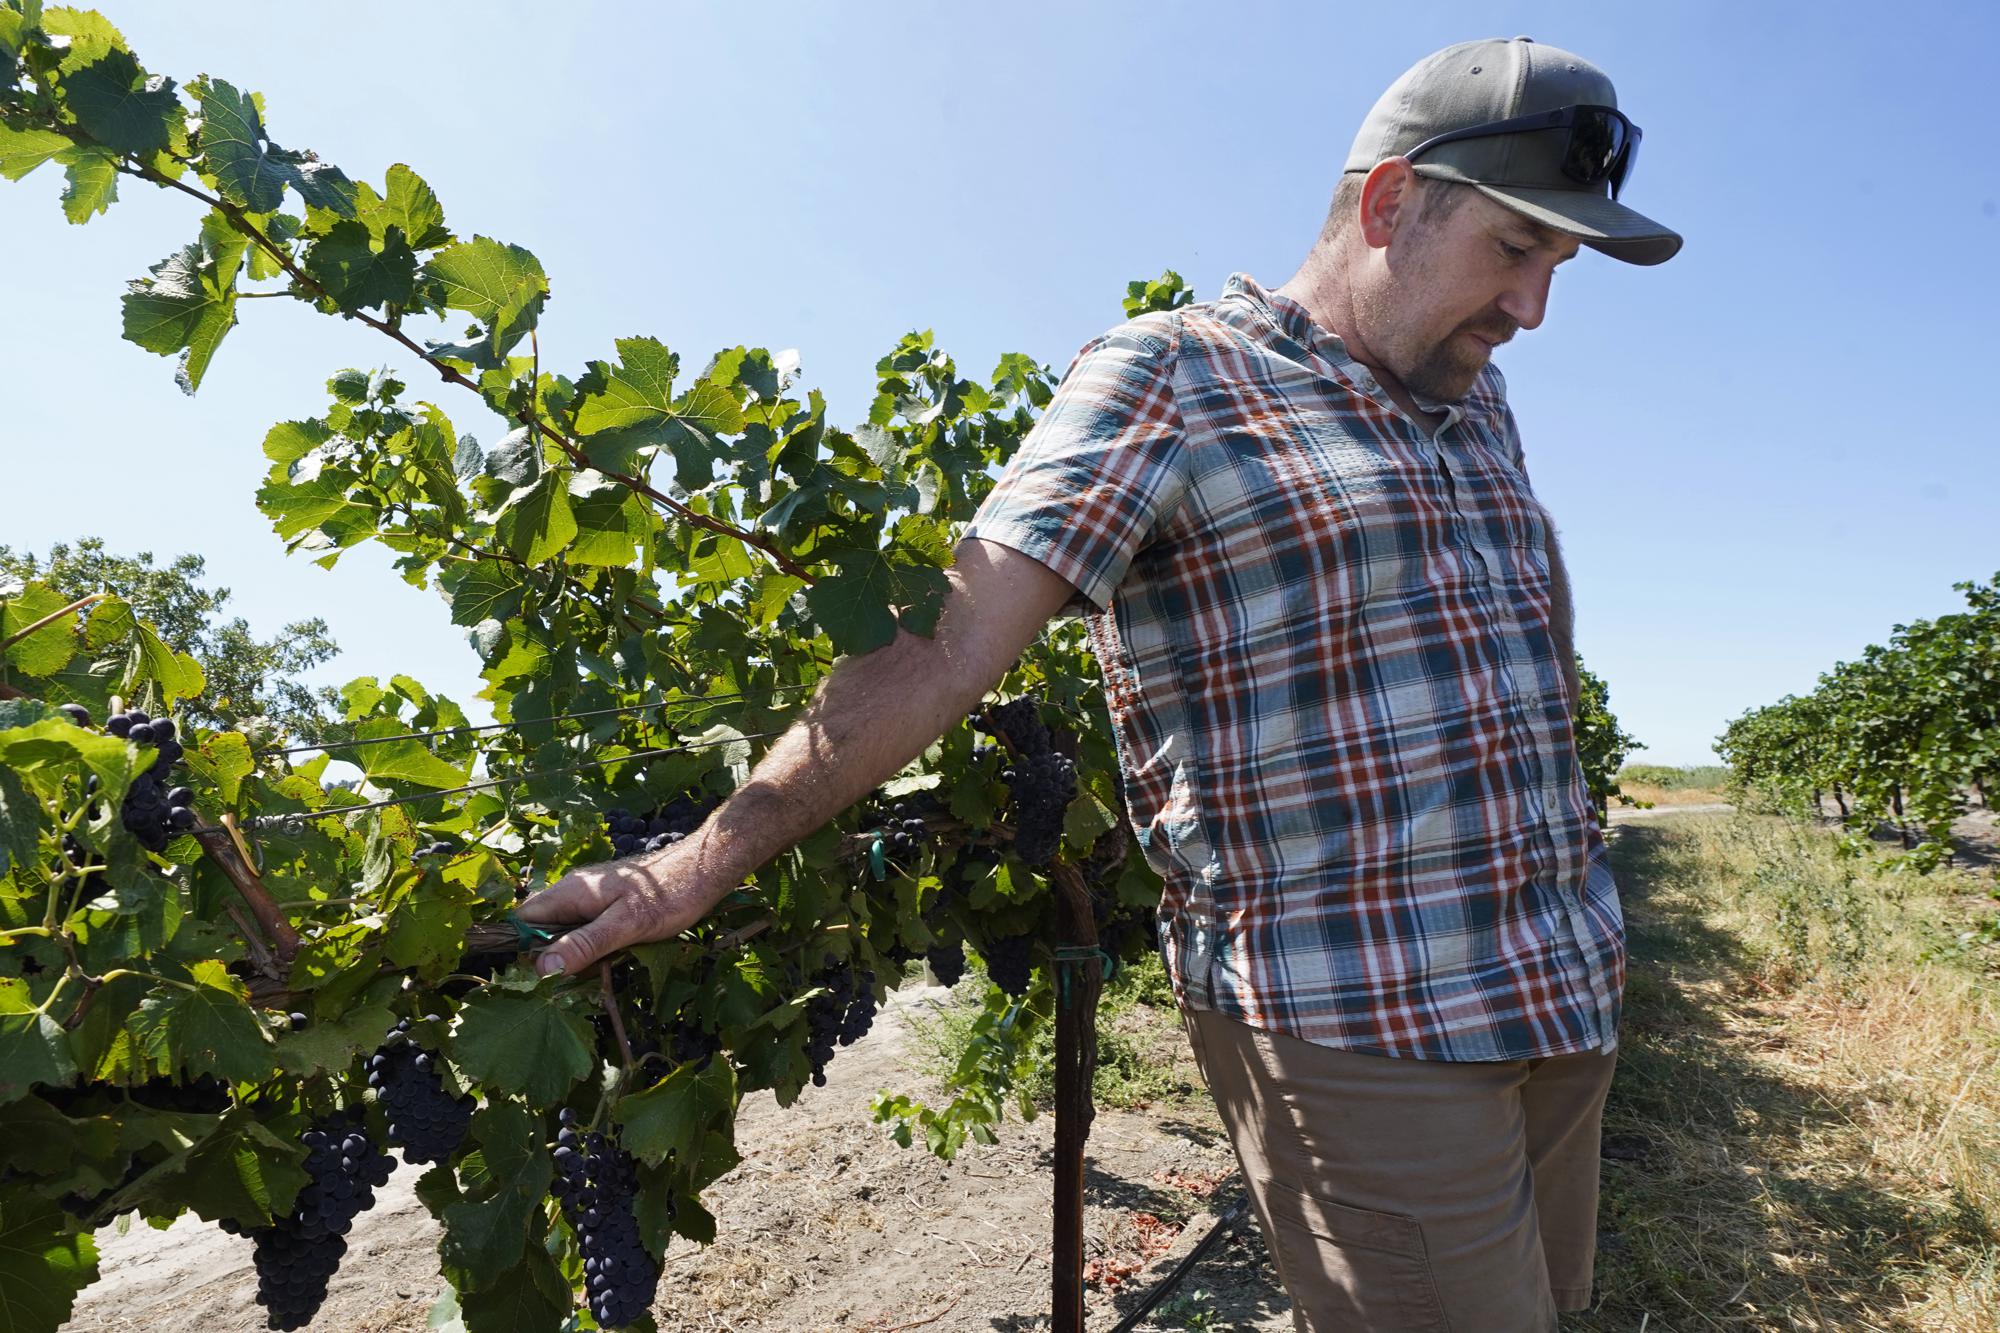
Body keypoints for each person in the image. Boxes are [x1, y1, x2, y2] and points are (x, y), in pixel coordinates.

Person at [517, 35, 1681, 1332]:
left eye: (1557, 269)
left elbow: (1531, 596)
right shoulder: (1176, 378)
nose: (1532, 310)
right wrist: (695, 863)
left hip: (1564, 981)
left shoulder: (1480, 404)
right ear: (1388, 204)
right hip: (1369, 1025)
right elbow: (948, 640)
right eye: (1516, 253)